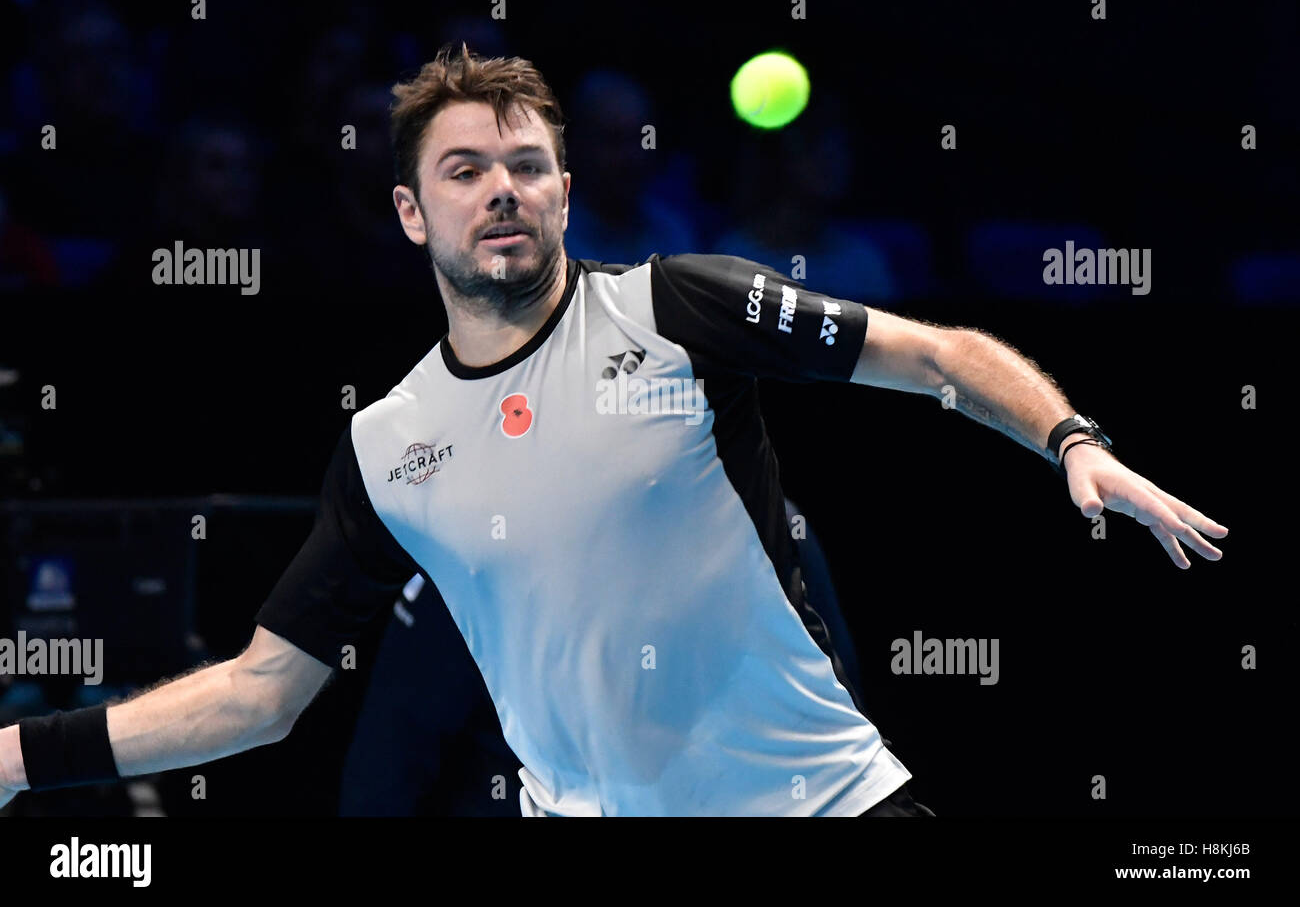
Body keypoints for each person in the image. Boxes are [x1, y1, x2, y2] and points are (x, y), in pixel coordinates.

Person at [0, 43, 1229, 817]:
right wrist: (19, 757)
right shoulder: (387, 445)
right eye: (467, 170)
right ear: (407, 210)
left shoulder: (677, 305)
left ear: (567, 191)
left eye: (527, 166)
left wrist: (1072, 437)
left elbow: (931, 353)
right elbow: (262, 696)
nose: (502, 192)